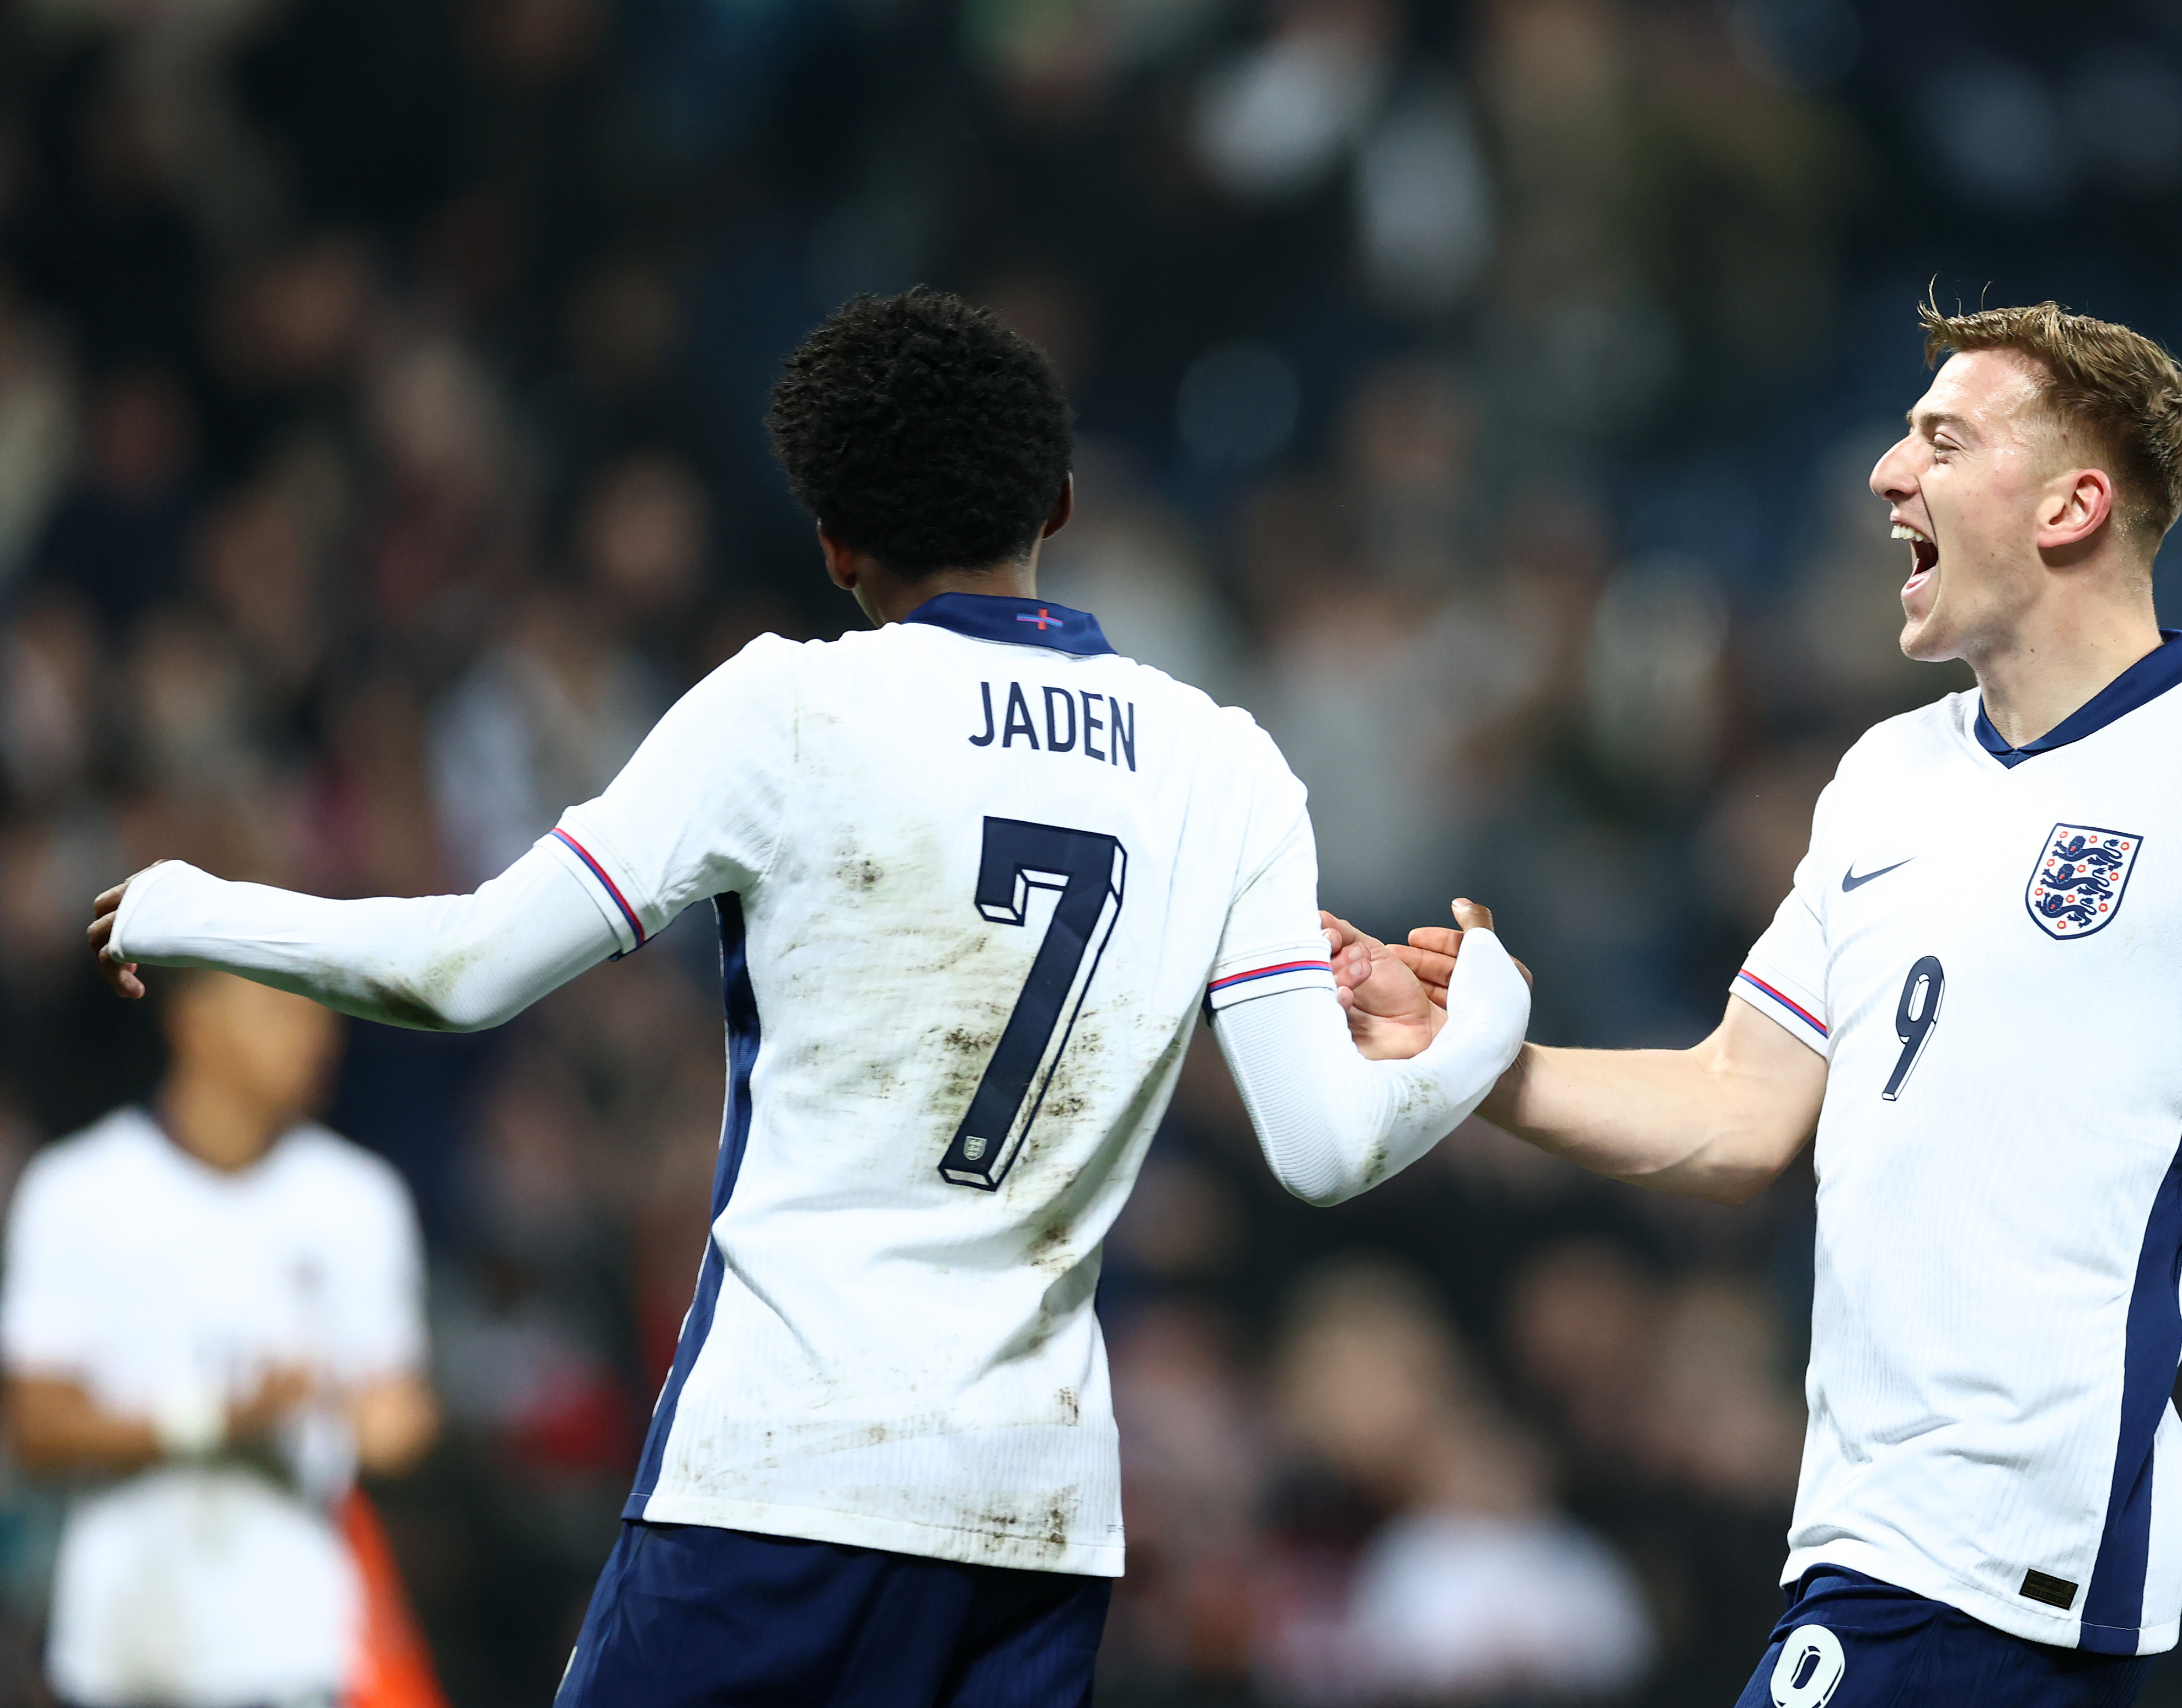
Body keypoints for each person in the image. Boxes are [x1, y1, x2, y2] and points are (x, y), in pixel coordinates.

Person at [84, 290, 1532, 1707]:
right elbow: (1327, 1147)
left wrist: (192, 909)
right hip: (1035, 1521)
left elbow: (469, 971)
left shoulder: (786, 708)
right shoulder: (1224, 766)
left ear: (834, 544)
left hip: (785, 1469)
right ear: (1063, 505)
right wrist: (1487, 1016)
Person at [1324, 301, 2182, 1707]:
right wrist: (1483, 1058)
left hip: (2000, 1563)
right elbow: (1740, 1109)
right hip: (1875, 1544)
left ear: (2074, 504)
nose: (1886, 476)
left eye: (1941, 443)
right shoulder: (1883, 779)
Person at [1, 970, 439, 1708]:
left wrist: (382, 1423)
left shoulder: (359, 1200)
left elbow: (398, 1414)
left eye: (321, 1012)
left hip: (295, 1653)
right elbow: (37, 1426)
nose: (316, 1035)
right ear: (193, 1019)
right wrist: (223, 1417)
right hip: (119, 1654)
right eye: (279, 1007)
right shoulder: (77, 1190)